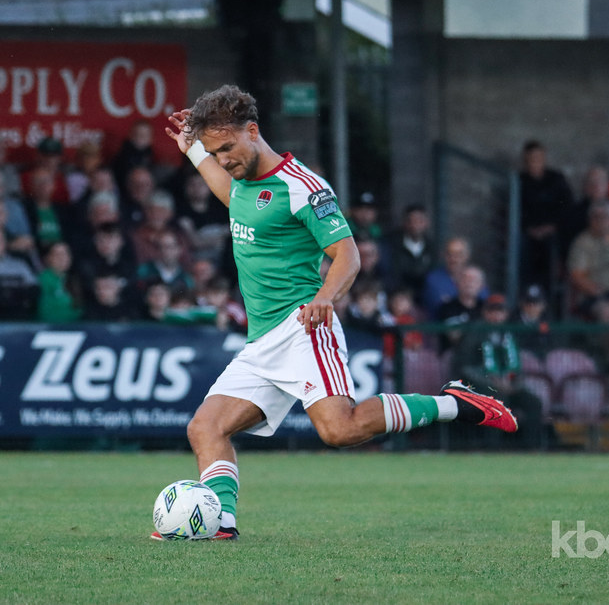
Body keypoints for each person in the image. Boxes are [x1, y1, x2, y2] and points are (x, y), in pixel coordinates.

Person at [153, 84, 517, 542]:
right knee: (206, 426)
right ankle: (220, 524)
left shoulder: (303, 187)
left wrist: (326, 296)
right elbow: (233, 197)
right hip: (261, 341)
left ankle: (454, 403)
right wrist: (192, 150)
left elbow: (348, 256)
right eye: (214, 151)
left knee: (339, 430)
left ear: (252, 131)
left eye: (227, 148)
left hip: (305, 326)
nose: (222, 159)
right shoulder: (242, 181)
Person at [451, 294, 544, 448]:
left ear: (506, 314)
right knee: (499, 400)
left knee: (534, 402)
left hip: (508, 385)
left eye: (500, 311)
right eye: (492, 311)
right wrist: (492, 381)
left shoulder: (510, 333)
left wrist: (515, 385)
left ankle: (531, 448)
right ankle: (492, 447)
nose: (496, 315)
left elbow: (516, 366)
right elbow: (464, 368)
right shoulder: (474, 333)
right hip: (477, 385)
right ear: (485, 312)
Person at [518, 139, 574, 292]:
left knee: (552, 253)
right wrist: (530, 229)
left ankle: (550, 295)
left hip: (553, 233)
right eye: (531, 159)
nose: (534, 163)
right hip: (528, 234)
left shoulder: (556, 180)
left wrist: (551, 227)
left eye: (538, 158)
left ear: (544, 159)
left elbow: (567, 208)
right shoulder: (519, 181)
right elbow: (515, 211)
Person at [383, 203, 435, 295]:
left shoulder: (432, 247)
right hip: (398, 295)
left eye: (420, 221)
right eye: (412, 221)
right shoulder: (392, 245)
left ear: (427, 223)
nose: (415, 225)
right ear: (405, 223)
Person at [36, 241, 82, 323]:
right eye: (57, 254)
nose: (62, 258)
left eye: (65, 254)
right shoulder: (41, 280)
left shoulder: (75, 278)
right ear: (48, 258)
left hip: (77, 328)